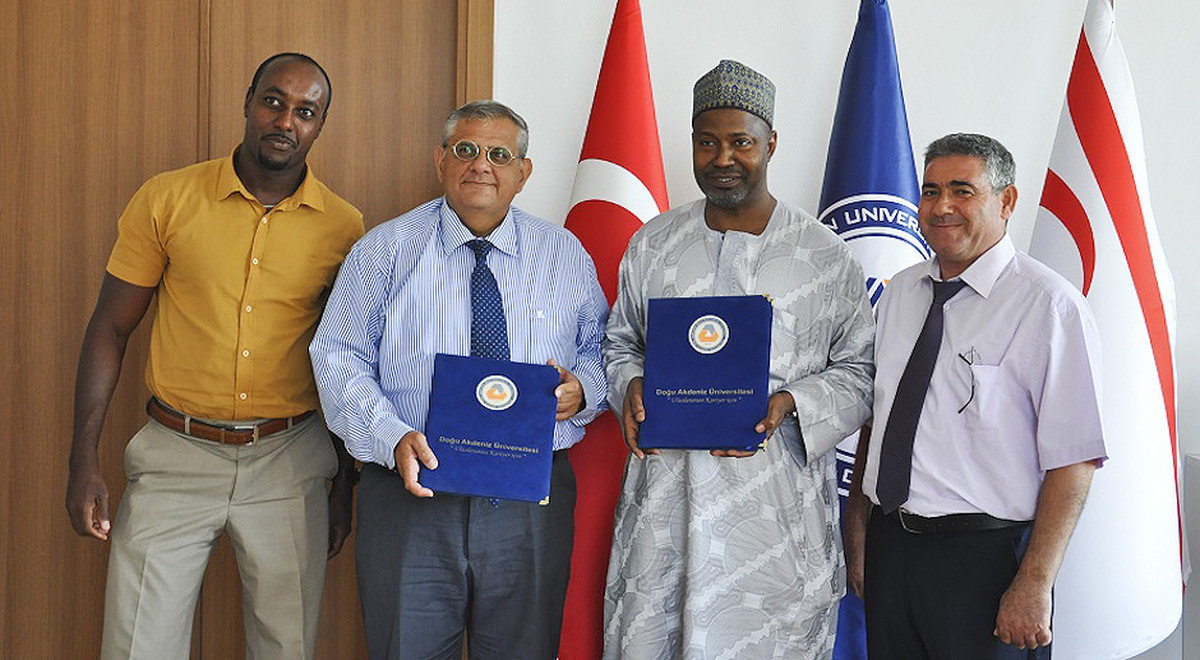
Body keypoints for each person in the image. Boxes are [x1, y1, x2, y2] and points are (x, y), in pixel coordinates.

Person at [64, 53, 364, 658]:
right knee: (136, 647)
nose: (285, 121)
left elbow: (347, 362)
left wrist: (343, 486)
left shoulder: (345, 228)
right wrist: (84, 460)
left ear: (320, 124)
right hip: (174, 455)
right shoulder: (167, 198)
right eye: (273, 101)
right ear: (248, 101)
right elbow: (110, 329)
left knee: (287, 647)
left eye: (305, 111)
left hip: (290, 461)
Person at [309, 100, 608, 660]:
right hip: (412, 492)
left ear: (524, 172)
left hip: (528, 502)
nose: (482, 165)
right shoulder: (385, 249)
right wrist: (389, 435)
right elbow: (337, 356)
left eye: (500, 154)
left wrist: (584, 387)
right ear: (441, 160)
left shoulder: (563, 254)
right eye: (466, 150)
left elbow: (602, 347)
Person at [602, 59, 875, 659]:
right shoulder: (654, 242)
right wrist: (630, 385)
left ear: (770, 143)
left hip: (774, 514)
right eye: (707, 142)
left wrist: (792, 404)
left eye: (741, 142)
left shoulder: (825, 256)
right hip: (667, 503)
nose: (723, 158)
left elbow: (861, 373)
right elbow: (621, 341)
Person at [845, 133, 1106, 658]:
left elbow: (1074, 459)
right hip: (891, 547)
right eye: (931, 190)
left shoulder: (1050, 307)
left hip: (986, 561)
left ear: (1006, 201)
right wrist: (859, 530)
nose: (941, 206)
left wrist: (1034, 584)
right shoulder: (900, 293)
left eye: (963, 190)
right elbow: (882, 419)